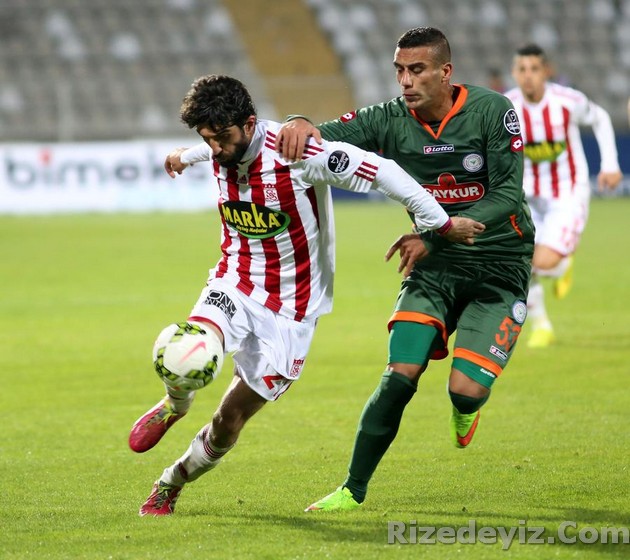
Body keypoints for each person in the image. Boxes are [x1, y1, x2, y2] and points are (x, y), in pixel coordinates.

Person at [128, 74, 485, 516]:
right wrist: (183, 156)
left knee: (227, 422)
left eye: (222, 138)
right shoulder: (220, 145)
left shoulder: (298, 154)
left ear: (250, 124)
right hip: (234, 281)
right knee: (189, 347)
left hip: (292, 308)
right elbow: (211, 147)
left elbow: (385, 173)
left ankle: (171, 480)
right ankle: (175, 405)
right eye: (207, 140)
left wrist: (441, 224)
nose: (216, 149)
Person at [275, 26, 535, 512]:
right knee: (400, 374)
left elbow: (506, 194)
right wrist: (297, 121)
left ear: (445, 71)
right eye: (399, 70)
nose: (406, 81)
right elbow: (319, 136)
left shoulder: (492, 110)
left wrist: (434, 232)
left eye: (417, 70)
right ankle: (352, 489)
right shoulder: (389, 118)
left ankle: (467, 409)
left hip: (500, 267)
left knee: (465, 391)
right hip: (434, 268)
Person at [505, 44, 622, 348]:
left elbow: (600, 117)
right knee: (519, 261)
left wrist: (610, 164)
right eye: (521, 69)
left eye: (534, 69)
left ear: (546, 71)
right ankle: (541, 325)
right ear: (514, 73)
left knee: (542, 262)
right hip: (528, 197)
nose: (528, 76)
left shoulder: (567, 101)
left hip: (567, 193)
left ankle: (561, 265)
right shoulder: (506, 107)